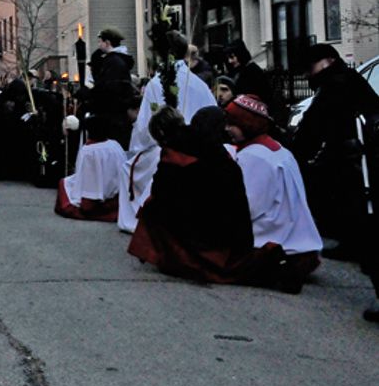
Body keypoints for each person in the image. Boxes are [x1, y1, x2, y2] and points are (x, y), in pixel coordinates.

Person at [128, 107, 288, 287]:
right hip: (233, 226)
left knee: (151, 209)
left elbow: (161, 191)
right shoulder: (210, 143)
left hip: (207, 228)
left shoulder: (174, 150)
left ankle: (174, 259)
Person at [290, 44, 379, 318]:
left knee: (362, 220)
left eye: (311, 67)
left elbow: (314, 127)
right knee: (358, 217)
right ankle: (352, 245)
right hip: (360, 160)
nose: (308, 74)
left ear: (327, 62)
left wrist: (295, 153)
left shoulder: (335, 86)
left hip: (355, 163)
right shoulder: (350, 80)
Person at [119, 30, 216, 233]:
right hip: (200, 149)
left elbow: (145, 128)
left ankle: (136, 217)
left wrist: (136, 148)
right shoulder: (200, 84)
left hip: (162, 148)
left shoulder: (156, 85)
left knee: (128, 167)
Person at [225, 94, 322, 292]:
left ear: (247, 125)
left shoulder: (253, 156)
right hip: (298, 241)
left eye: (232, 124)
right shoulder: (278, 150)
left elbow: (247, 207)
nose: (227, 130)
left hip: (275, 240)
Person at [55, 113, 128, 221]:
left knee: (64, 184)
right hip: (116, 194)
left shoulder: (87, 151)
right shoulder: (115, 145)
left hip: (93, 197)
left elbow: (84, 176)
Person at [224, 39, 271, 103]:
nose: (230, 61)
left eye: (232, 57)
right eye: (228, 58)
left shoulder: (252, 72)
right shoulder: (240, 70)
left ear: (240, 54)